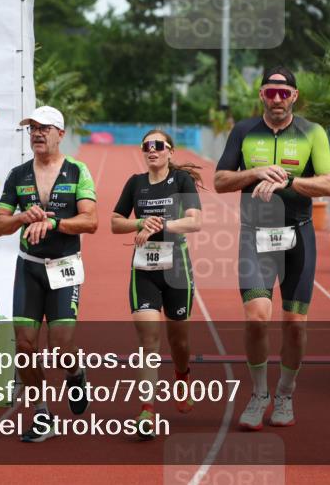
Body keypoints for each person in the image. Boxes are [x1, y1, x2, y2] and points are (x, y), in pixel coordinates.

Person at [213, 67, 330, 430]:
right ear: (262, 96)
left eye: (284, 94)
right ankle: (259, 393)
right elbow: (220, 180)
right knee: (256, 318)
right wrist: (256, 173)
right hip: (255, 236)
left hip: (298, 235)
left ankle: (285, 392)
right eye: (271, 93)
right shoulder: (243, 132)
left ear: (295, 96)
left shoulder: (313, 132)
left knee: (295, 324)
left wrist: (289, 180)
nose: (277, 100)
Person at [0, 105, 98, 443]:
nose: (37, 133)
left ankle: (75, 372)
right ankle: (41, 413)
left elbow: (91, 222)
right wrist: (23, 218)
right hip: (29, 267)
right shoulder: (18, 174)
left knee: (61, 347)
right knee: (24, 345)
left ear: (60, 134)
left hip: (64, 266)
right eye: (32, 128)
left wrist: (53, 222)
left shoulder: (78, 171)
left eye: (44, 128)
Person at [111, 129, 203, 440]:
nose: (153, 150)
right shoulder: (135, 183)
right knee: (149, 341)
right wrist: (139, 223)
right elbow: (114, 222)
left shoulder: (181, 182)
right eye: (147, 146)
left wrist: (161, 224)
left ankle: (182, 375)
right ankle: (147, 409)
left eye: (159, 145)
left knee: (179, 342)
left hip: (177, 270)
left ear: (170, 151)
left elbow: (195, 221)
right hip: (144, 270)